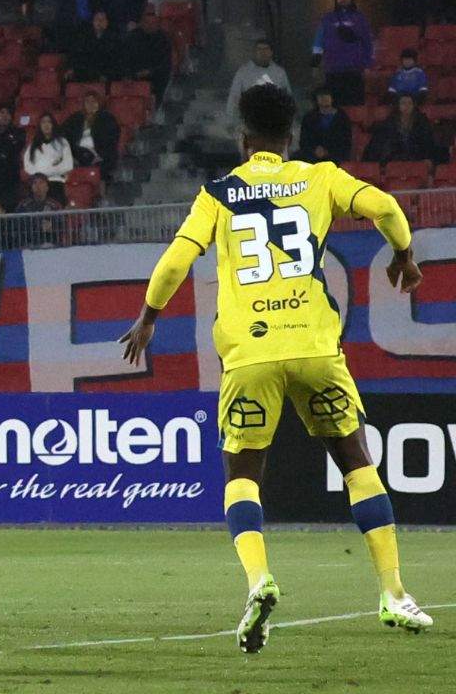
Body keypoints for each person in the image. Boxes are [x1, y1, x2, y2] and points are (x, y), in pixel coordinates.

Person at [118, 83, 433, 655]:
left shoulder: (217, 193)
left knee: (243, 475)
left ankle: (258, 581)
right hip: (315, 347)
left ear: (244, 140)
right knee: (355, 461)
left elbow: (174, 262)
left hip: (248, 355)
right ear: (289, 138)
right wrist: (404, 258)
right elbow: (387, 207)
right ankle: (394, 592)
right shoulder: (320, 176)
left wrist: (147, 319)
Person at [311, 0, 373, 108]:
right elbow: (318, 43)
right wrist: (315, 65)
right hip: (333, 70)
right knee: (335, 106)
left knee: (355, 107)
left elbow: (369, 43)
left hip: (354, 71)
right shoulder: (327, 19)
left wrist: (368, 65)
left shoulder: (360, 19)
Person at [225, 39, 292, 128]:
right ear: (254, 52)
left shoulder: (280, 73)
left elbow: (288, 98)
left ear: (271, 52)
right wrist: (230, 121)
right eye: (259, 49)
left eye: (265, 49)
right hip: (249, 122)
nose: (262, 52)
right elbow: (234, 98)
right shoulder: (243, 72)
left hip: (273, 122)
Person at [364, 93, 436, 164]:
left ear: (413, 105)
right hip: (393, 161)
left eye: (409, 103)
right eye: (403, 103)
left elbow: (427, 145)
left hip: (417, 160)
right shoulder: (389, 124)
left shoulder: (422, 123)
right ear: (398, 105)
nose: (406, 106)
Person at [62, 90, 120, 172]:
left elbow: (111, 141)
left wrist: (100, 156)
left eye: (94, 101)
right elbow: (63, 136)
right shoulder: (75, 119)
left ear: (99, 103)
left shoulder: (107, 119)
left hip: (99, 157)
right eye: (88, 102)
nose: (91, 104)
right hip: (77, 155)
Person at [23, 112, 74, 202]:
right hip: (38, 184)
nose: (46, 125)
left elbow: (68, 165)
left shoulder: (62, 142)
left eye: (49, 122)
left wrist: (46, 173)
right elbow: (27, 165)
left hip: (56, 183)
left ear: (53, 124)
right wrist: (40, 176)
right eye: (43, 122)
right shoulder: (33, 145)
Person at [125, 7, 173, 103]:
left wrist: (150, 72)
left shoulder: (163, 39)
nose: (150, 26)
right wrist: (130, 74)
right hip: (135, 78)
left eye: (153, 23)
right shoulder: (132, 37)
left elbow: (166, 64)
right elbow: (125, 59)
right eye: (147, 23)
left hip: (156, 79)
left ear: (158, 24)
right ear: (142, 24)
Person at [297, 88, 352, 163]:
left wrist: (327, 152)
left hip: (336, 155)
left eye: (327, 96)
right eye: (321, 96)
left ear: (332, 98)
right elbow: (304, 140)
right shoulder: (309, 117)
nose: (324, 99)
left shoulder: (342, 118)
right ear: (316, 99)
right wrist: (315, 149)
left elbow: (346, 142)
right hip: (313, 154)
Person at [67, 11, 121, 84]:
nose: (100, 22)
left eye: (103, 19)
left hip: (108, 79)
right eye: (97, 19)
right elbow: (77, 58)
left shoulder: (114, 40)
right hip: (86, 77)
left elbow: (116, 62)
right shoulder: (83, 39)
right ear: (92, 22)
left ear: (107, 22)